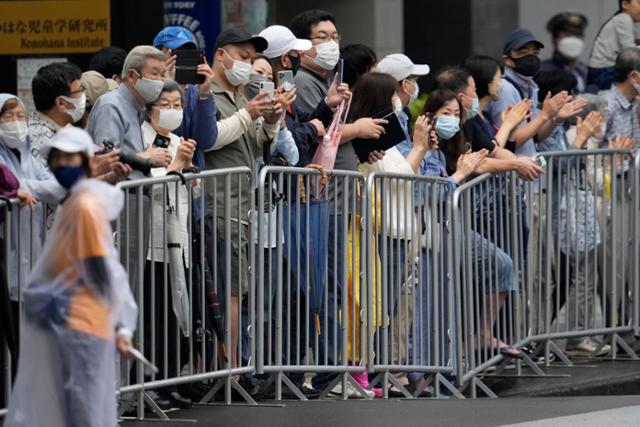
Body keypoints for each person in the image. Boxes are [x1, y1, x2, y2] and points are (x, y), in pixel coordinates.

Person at [3, 127, 138, 427]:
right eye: (58, 159)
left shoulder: (84, 208)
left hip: (81, 324)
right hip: (71, 322)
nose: (63, 165)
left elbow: (104, 268)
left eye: (70, 158)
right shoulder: (79, 202)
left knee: (82, 408)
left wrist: (123, 322)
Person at [417, 89, 524, 359]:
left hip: (449, 228)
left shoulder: (448, 148)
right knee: (430, 305)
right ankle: (427, 370)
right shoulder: (425, 151)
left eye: (456, 114)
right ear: (429, 115)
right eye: (445, 114)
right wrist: (461, 174)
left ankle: (471, 344)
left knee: (499, 265)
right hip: (431, 234)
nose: (452, 120)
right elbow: (429, 193)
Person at [203, 27, 280, 386]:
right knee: (229, 290)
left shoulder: (242, 94)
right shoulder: (206, 94)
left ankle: (233, 367)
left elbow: (257, 140)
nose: (249, 67)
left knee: (238, 289)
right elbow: (210, 138)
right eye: (244, 58)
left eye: (252, 60)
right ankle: (229, 371)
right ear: (221, 55)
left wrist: (273, 120)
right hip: (221, 203)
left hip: (245, 204)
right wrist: (250, 113)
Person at [355, 72, 434, 396]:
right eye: (392, 94)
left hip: (399, 231)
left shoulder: (385, 131)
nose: (399, 99)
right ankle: (373, 372)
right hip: (383, 231)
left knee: (388, 310)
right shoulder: (370, 135)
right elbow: (401, 175)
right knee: (378, 309)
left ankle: (382, 370)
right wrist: (418, 146)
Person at [534, 69, 611, 356]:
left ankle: (576, 335)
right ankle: (559, 337)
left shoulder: (555, 125)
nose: (573, 101)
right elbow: (558, 164)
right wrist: (580, 138)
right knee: (560, 276)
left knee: (578, 274)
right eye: (567, 95)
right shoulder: (546, 127)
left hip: (572, 207)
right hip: (556, 207)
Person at [140, 79, 197, 408]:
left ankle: (174, 379)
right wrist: (173, 168)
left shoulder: (178, 140)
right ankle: (153, 384)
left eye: (178, 104)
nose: (173, 110)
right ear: (149, 107)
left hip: (178, 237)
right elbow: (146, 186)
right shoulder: (142, 140)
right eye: (166, 104)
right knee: (156, 312)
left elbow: (189, 190)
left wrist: (187, 169)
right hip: (150, 238)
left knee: (178, 312)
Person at [290, 9, 388, 150]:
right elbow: (320, 132)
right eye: (323, 37)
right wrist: (357, 129)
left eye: (335, 38)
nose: (331, 44)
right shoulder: (302, 81)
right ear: (301, 45)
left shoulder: (322, 80)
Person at [0, 93, 65, 299]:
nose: (16, 123)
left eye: (20, 117)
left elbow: (58, 187)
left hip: (32, 244)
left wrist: (21, 186)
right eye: (8, 117)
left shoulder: (27, 155)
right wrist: (16, 190)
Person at [488, 28, 585, 159]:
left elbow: (536, 136)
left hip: (529, 171)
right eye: (524, 52)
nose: (531, 57)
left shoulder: (530, 87)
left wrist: (556, 119)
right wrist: (544, 115)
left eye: (535, 53)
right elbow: (508, 141)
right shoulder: (505, 89)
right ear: (507, 60)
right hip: (513, 172)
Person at [258, 24, 345, 166]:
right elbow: (287, 149)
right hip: (278, 183)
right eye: (296, 53)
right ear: (285, 59)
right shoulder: (265, 99)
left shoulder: (285, 92)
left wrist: (328, 103)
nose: (299, 57)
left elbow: (306, 120)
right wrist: (311, 129)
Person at [600, 47, 639, 341]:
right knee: (613, 262)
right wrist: (612, 158)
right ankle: (616, 328)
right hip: (608, 191)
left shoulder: (636, 105)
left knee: (631, 261)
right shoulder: (607, 103)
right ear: (634, 76)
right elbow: (587, 148)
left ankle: (631, 321)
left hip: (631, 187)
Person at [152, 26, 218, 170]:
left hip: (191, 183)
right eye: (175, 53)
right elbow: (160, 136)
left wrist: (205, 95)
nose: (179, 59)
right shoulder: (149, 92)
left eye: (187, 52)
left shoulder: (196, 91)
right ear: (157, 57)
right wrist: (167, 90)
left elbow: (206, 141)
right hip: (160, 177)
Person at [29, 62, 86, 167]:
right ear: (61, 103)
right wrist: (95, 170)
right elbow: (58, 181)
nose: (84, 96)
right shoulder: (40, 139)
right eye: (80, 90)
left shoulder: (61, 127)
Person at [589, 0, 640, 90]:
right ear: (625, 4)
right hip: (605, 69)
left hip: (605, 68)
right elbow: (631, 51)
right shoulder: (624, 18)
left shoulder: (626, 20)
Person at [541, 11, 592, 93]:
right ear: (554, 39)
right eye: (567, 35)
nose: (573, 40)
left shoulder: (585, 71)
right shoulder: (542, 72)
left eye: (577, 35)